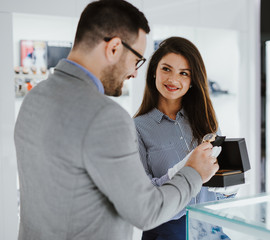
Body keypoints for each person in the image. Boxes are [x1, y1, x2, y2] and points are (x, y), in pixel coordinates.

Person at [14, 1, 219, 240]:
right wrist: (193, 172)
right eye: (136, 60)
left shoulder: (35, 98)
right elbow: (147, 211)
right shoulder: (106, 117)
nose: (134, 73)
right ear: (113, 48)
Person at [134, 37, 233, 240]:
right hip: (167, 232)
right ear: (154, 71)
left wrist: (229, 186)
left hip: (210, 229)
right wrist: (185, 169)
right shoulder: (137, 127)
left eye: (184, 73)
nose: (173, 79)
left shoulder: (207, 120)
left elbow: (218, 182)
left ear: (192, 81)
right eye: (166, 69)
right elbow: (145, 196)